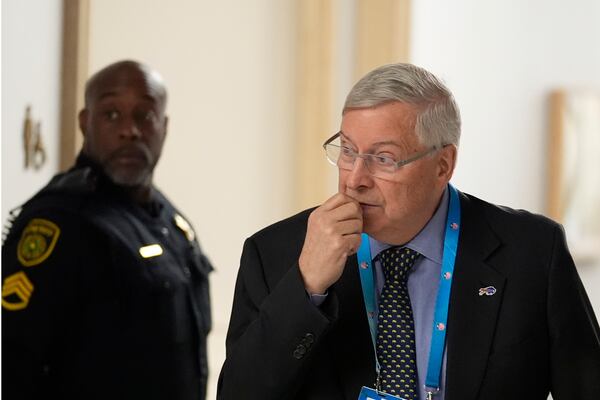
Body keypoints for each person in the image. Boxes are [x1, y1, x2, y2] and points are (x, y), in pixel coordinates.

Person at [217, 63, 600, 400]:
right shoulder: (274, 253)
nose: (355, 179)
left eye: (384, 159)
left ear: (442, 165)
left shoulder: (532, 251)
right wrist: (307, 287)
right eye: (348, 151)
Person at [2, 60, 212, 400]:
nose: (129, 129)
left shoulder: (170, 221)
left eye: (144, 115)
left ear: (164, 126)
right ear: (86, 123)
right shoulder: (59, 223)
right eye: (111, 114)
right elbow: (13, 366)